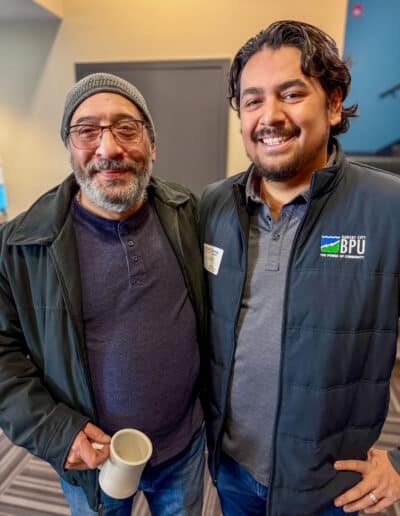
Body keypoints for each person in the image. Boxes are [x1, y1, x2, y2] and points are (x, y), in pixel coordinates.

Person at [199, 20, 400, 515]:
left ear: (333, 104)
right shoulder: (212, 206)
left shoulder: (388, 209)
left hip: (332, 486)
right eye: (252, 101)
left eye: (291, 94)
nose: (270, 116)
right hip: (233, 472)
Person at [0, 73, 207, 516]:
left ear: (152, 145)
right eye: (87, 131)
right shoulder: (20, 247)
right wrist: (56, 432)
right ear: (70, 148)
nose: (108, 148)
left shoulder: (187, 214)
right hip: (94, 458)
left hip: (183, 446)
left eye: (127, 128)